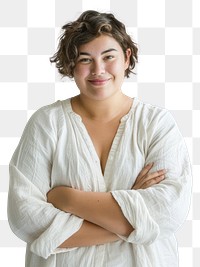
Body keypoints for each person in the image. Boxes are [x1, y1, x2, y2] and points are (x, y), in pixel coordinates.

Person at [7, 10, 192, 267]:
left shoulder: (157, 124)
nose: (98, 70)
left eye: (108, 57)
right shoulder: (46, 123)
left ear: (127, 58)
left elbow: (169, 212)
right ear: (71, 65)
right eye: (85, 59)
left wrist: (67, 199)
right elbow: (24, 218)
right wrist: (133, 219)